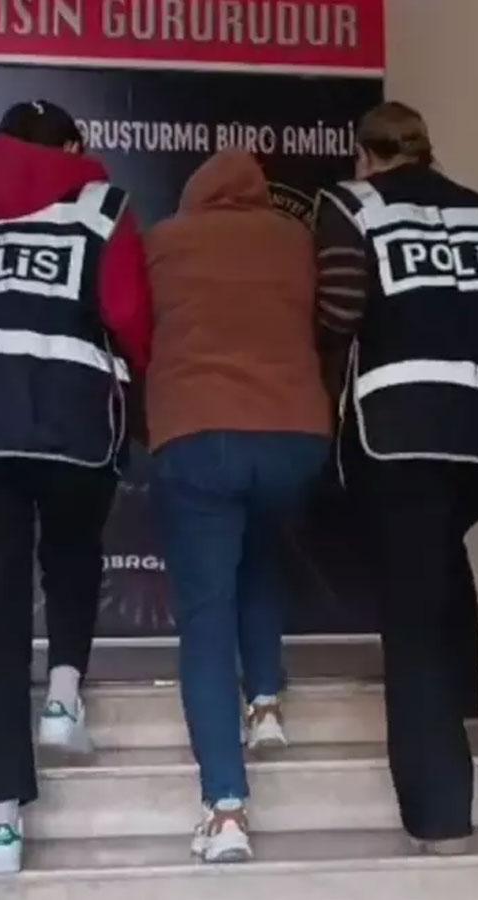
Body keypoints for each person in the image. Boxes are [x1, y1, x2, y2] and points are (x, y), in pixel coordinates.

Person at [313, 102, 478, 853]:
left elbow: (338, 308)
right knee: (434, 552)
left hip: (404, 427)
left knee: (410, 604)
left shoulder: (350, 204)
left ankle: (441, 817)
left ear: (365, 156)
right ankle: (465, 706)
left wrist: (313, 379)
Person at [0, 99, 152, 874]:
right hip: (70, 414)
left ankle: (0, 825)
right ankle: (61, 698)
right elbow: (127, 313)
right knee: (74, 552)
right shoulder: (101, 205)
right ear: (74, 144)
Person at [145, 148, 332, 863]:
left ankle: (226, 810)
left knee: (205, 615)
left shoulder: (166, 241)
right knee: (261, 560)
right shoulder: (295, 240)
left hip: (199, 431)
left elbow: (133, 323)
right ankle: (267, 703)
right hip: (293, 434)